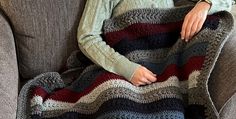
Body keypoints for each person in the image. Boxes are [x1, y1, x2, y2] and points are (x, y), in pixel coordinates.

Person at [77, 0, 232, 87]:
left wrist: (205, 4)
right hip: (125, 68)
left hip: (169, 66)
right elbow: (87, 36)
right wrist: (127, 69)